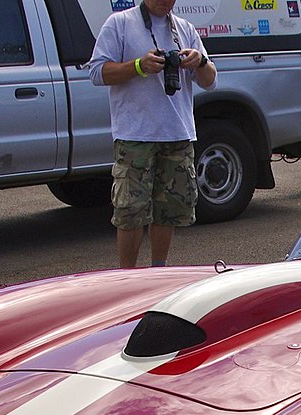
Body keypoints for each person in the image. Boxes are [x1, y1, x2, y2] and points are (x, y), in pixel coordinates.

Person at [87, 0, 216, 268]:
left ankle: (158, 271)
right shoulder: (120, 23)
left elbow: (210, 81)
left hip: (177, 134)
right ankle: (127, 279)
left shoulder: (184, 28)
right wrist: (138, 66)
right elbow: (97, 72)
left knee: (168, 212)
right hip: (135, 136)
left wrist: (200, 61)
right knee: (130, 212)